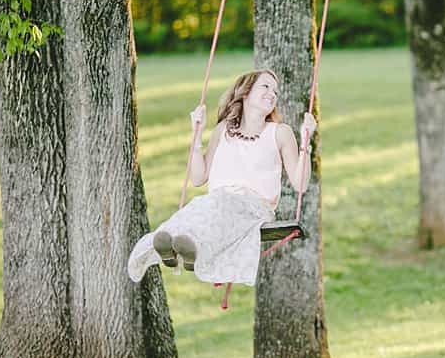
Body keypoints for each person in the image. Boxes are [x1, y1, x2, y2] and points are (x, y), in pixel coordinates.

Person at [127, 69, 315, 287]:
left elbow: (300, 183)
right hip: (217, 202)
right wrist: (196, 135)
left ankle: (194, 252)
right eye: (265, 86)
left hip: (254, 207)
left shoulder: (279, 132)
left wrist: (305, 144)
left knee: (218, 206)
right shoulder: (223, 130)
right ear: (245, 92)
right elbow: (198, 177)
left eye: (275, 91)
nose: (272, 94)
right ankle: (169, 248)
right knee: (198, 208)